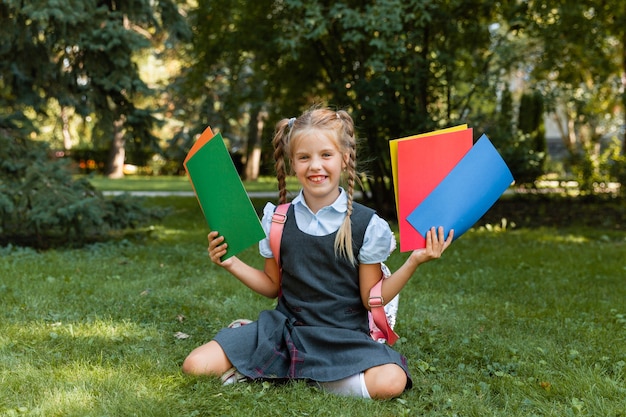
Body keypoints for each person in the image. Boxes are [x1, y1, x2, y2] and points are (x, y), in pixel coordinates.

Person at [182, 106, 454, 399]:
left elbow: (371, 298)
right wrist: (231, 263)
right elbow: (273, 287)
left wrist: (414, 261)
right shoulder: (278, 220)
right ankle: (308, 374)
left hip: (342, 338)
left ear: (344, 158)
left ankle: (278, 374)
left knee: (390, 381)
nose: (315, 166)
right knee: (194, 365)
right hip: (285, 332)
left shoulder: (366, 225)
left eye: (326, 155)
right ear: (292, 163)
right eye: (304, 157)